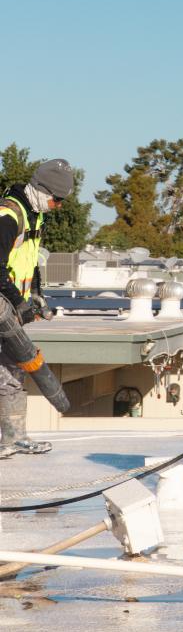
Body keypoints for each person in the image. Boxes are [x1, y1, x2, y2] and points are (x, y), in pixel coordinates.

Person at [0, 158, 75, 457]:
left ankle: (13, 438)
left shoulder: (35, 215)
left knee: (13, 371)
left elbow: (31, 260)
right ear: (42, 190)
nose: (57, 206)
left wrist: (38, 294)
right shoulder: (8, 215)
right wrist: (18, 301)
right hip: (4, 305)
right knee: (6, 372)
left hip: (10, 307)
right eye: (56, 199)